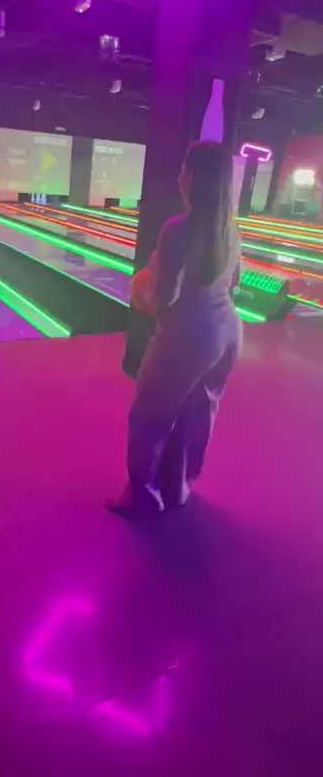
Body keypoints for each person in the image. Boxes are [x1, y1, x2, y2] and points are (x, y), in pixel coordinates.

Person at [106, 140, 242, 515]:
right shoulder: (230, 228)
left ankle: (143, 497)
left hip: (187, 336)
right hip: (226, 331)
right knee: (196, 417)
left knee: (149, 416)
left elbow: (165, 296)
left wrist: (140, 292)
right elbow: (234, 282)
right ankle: (177, 488)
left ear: (192, 177)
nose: (179, 174)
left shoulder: (178, 228)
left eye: (184, 167)